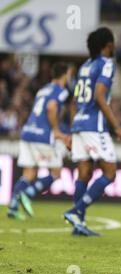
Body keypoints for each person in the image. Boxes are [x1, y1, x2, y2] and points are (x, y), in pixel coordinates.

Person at [63, 27, 121, 236]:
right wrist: (116, 125)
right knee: (110, 172)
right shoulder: (106, 64)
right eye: (113, 42)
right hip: (94, 126)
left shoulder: (84, 67)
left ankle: (78, 223)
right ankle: (77, 210)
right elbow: (100, 96)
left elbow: (73, 101)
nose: (115, 45)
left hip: (79, 125)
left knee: (84, 173)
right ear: (108, 45)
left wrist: (73, 130)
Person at [7, 63, 71, 220]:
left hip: (28, 132)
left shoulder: (43, 89)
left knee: (28, 174)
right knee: (56, 172)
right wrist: (56, 130)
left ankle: (13, 208)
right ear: (65, 75)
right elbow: (51, 106)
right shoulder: (61, 90)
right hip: (43, 135)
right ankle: (28, 193)